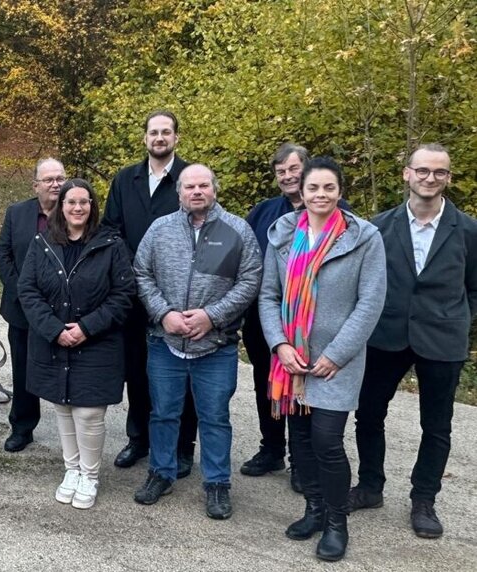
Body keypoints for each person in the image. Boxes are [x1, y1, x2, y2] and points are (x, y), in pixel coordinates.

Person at [258, 156, 386, 561]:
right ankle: (313, 510)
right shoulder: (282, 234)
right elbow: (267, 295)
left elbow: (370, 302)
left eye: (329, 188)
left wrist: (337, 354)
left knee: (327, 441)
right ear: (302, 190)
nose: (320, 195)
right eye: (313, 188)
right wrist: (280, 345)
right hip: (291, 361)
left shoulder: (363, 237)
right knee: (300, 441)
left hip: (336, 364)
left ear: (340, 191)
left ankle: (336, 522)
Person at [350, 144, 477, 539]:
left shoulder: (469, 230)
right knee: (369, 415)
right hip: (385, 335)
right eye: (422, 170)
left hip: (442, 339)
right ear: (406, 174)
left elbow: (474, 287)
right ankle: (371, 487)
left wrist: (458, 319)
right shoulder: (377, 227)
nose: (429, 178)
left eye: (439, 172)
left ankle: (424, 499)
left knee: (436, 426)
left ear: (448, 178)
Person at [131, 164, 261, 519]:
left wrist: (212, 316)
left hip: (216, 346)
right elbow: (141, 273)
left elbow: (250, 280)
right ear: (180, 193)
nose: (197, 191)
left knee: (215, 417)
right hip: (165, 342)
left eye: (204, 185)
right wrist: (163, 313)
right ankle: (161, 472)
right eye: (190, 186)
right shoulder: (160, 230)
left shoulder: (237, 231)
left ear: (214, 190)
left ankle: (217, 484)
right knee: (163, 413)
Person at [18, 179, 135, 509]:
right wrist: (56, 330)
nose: (78, 208)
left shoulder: (111, 244)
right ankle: (71, 470)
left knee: (89, 413)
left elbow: (123, 295)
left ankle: (90, 475)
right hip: (55, 341)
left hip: (97, 342)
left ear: (92, 206)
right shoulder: (43, 243)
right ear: (62, 206)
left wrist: (86, 327)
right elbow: (28, 291)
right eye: (71, 202)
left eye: (84, 202)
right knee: (63, 407)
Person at [102, 110, 199, 476]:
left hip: (176, 293)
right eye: (153, 132)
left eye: (166, 132)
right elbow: (111, 229)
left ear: (176, 137)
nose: (159, 138)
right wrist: (134, 269)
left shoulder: (189, 179)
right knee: (137, 371)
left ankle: (182, 447)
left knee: (181, 371)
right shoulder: (126, 179)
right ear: (145, 138)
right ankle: (138, 438)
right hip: (131, 292)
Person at [0, 158, 66, 452]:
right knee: (23, 369)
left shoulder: (74, 211)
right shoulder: (17, 213)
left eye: (60, 178)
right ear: (35, 185)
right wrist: (22, 293)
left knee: (64, 369)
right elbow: (4, 253)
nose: (55, 184)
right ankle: (22, 428)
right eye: (48, 179)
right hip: (21, 310)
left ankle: (72, 436)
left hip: (61, 310)